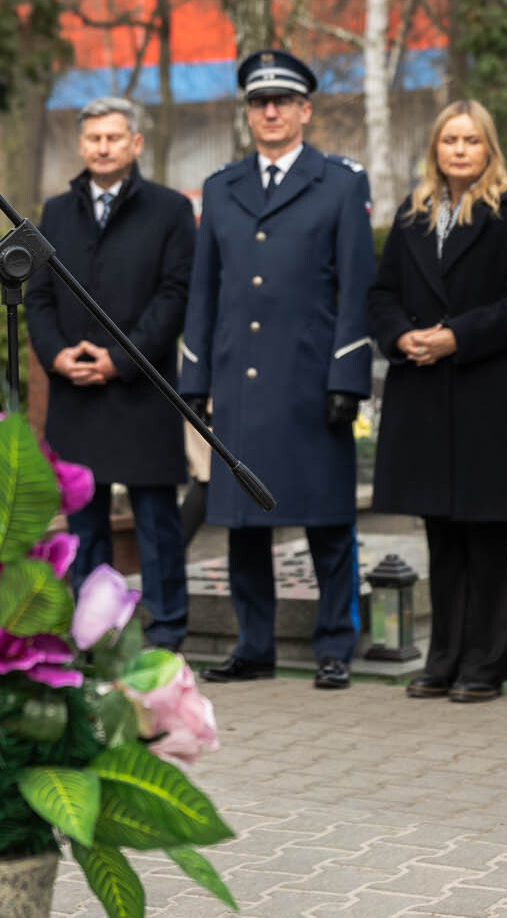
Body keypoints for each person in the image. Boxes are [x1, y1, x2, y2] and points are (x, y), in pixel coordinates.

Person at [181, 49, 375, 691]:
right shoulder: (220, 188)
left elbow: (356, 287)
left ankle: (334, 645)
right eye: (260, 102)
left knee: (326, 521)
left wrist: (349, 377)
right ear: (248, 113)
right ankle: (254, 645)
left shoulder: (341, 183)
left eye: (283, 102)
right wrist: (195, 383)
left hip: (311, 381)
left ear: (305, 111)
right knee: (243, 527)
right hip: (241, 383)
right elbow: (202, 294)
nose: (270, 111)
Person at [370, 100, 507, 703]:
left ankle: (485, 664)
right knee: (440, 533)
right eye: (450, 140)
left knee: (483, 533)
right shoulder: (413, 213)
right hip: (422, 391)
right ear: (435, 149)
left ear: (489, 148)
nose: (460, 150)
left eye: (471, 140)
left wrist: (457, 336)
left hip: (484, 393)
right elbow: (383, 292)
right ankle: (441, 657)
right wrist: (400, 335)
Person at [25, 96, 197, 649]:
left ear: (136, 144)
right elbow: (39, 297)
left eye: (114, 138)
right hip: (75, 391)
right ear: (81, 145)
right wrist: (56, 356)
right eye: (93, 138)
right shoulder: (54, 212)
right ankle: (91, 634)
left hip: (142, 387)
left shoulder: (169, 210)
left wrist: (120, 359)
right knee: (86, 524)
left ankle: (167, 632)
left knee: (156, 521)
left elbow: (174, 296)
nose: (102, 147)